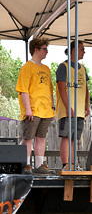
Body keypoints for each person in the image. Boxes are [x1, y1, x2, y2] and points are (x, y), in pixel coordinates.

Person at [16, 37, 55, 174]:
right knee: (28, 138)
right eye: (44, 49)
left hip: (45, 110)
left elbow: (50, 90)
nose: (47, 52)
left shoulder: (46, 69)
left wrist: (52, 107)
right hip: (33, 109)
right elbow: (23, 89)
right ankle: (25, 164)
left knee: (41, 138)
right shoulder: (27, 67)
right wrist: (27, 109)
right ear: (36, 50)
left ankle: (39, 165)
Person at [56, 41, 90, 169]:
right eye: (82, 49)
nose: (84, 52)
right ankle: (66, 164)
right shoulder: (63, 66)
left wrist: (87, 105)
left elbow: (86, 88)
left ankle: (73, 164)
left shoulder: (82, 68)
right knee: (66, 136)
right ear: (74, 50)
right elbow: (61, 87)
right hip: (67, 110)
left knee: (74, 138)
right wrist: (68, 106)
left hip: (80, 110)